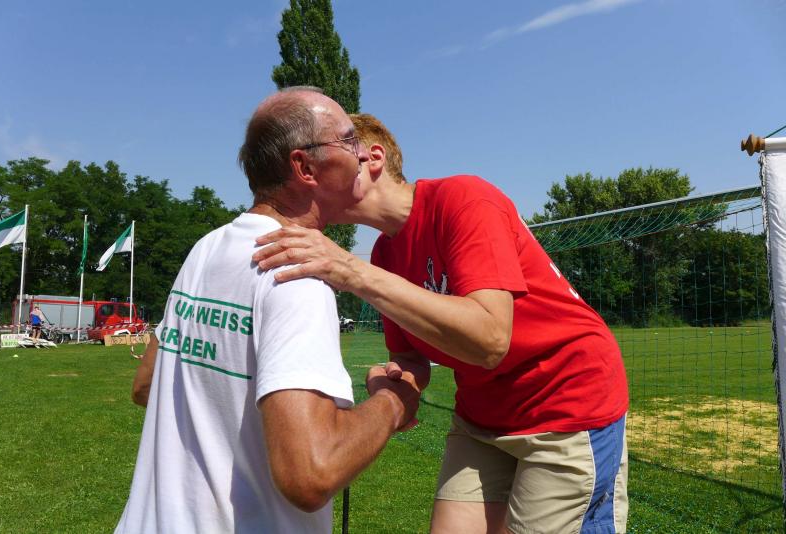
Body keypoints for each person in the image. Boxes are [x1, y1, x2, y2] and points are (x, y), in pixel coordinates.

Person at [253, 113, 630, 534]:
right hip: (483, 415)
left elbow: (490, 340)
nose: (308, 180)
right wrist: (394, 387)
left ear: (371, 158)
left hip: (567, 402)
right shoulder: (384, 255)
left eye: (325, 162)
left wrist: (350, 270)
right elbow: (410, 357)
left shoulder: (464, 198)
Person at [115, 91, 420, 534]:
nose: (362, 155)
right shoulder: (296, 274)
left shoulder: (207, 248)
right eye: (348, 140)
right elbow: (309, 475)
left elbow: (147, 386)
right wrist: (396, 401)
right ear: (305, 168)